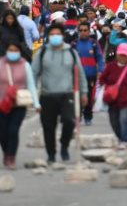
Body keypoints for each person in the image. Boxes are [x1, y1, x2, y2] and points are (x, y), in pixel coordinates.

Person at [32, 23, 87, 163]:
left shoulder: (71, 53)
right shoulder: (42, 53)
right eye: (52, 34)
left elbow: (80, 74)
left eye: (58, 34)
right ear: (48, 36)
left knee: (69, 122)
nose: (55, 37)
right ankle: (51, 154)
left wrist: (84, 92)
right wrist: (32, 96)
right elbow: (34, 74)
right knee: (48, 127)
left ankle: (64, 145)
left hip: (67, 94)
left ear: (63, 36)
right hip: (47, 95)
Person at [0, 40, 40, 170]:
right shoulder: (1, 63)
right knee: (3, 132)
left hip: (19, 104)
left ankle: (11, 156)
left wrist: (36, 103)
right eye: (10, 50)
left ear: (20, 52)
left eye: (15, 50)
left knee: (13, 130)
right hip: (2, 104)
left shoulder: (25, 65)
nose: (13, 53)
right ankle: (6, 152)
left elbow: (31, 85)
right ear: (6, 51)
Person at [74, 22, 104, 126]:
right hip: (76, 76)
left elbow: (100, 58)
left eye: (85, 30)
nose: (83, 32)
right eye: (80, 30)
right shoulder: (74, 44)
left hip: (90, 75)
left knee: (88, 97)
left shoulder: (94, 44)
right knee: (77, 97)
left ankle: (88, 117)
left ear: (89, 31)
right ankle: (77, 116)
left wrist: (100, 71)